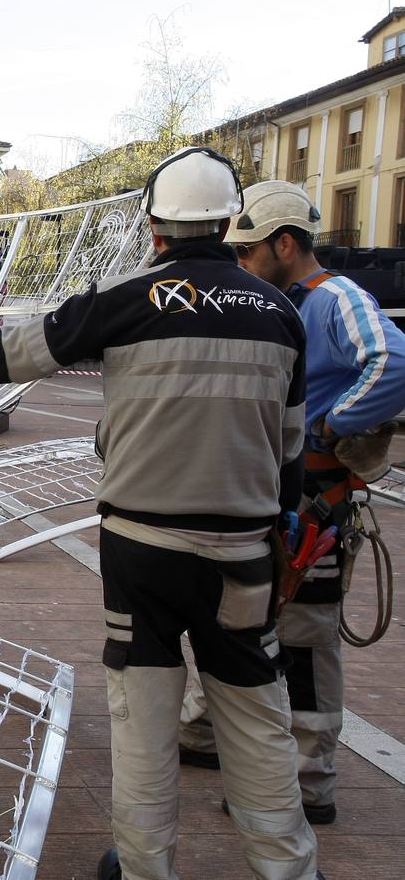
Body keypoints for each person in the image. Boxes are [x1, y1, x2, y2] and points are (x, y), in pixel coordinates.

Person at [0, 148, 318, 880]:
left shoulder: (130, 296)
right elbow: (291, 451)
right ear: (230, 222)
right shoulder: (281, 316)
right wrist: (280, 524)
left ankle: (143, 870)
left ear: (156, 228)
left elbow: (29, 346)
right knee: (258, 717)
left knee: (142, 719)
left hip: (143, 550)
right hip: (243, 555)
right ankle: (288, 870)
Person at [178, 180, 405, 827]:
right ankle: (205, 734)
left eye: (249, 251)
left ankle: (307, 780)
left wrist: (336, 427)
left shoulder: (336, 298)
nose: (241, 263)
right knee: (242, 618)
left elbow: (393, 361)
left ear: (285, 243)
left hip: (312, 500)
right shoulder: (276, 303)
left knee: (303, 641)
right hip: (267, 493)